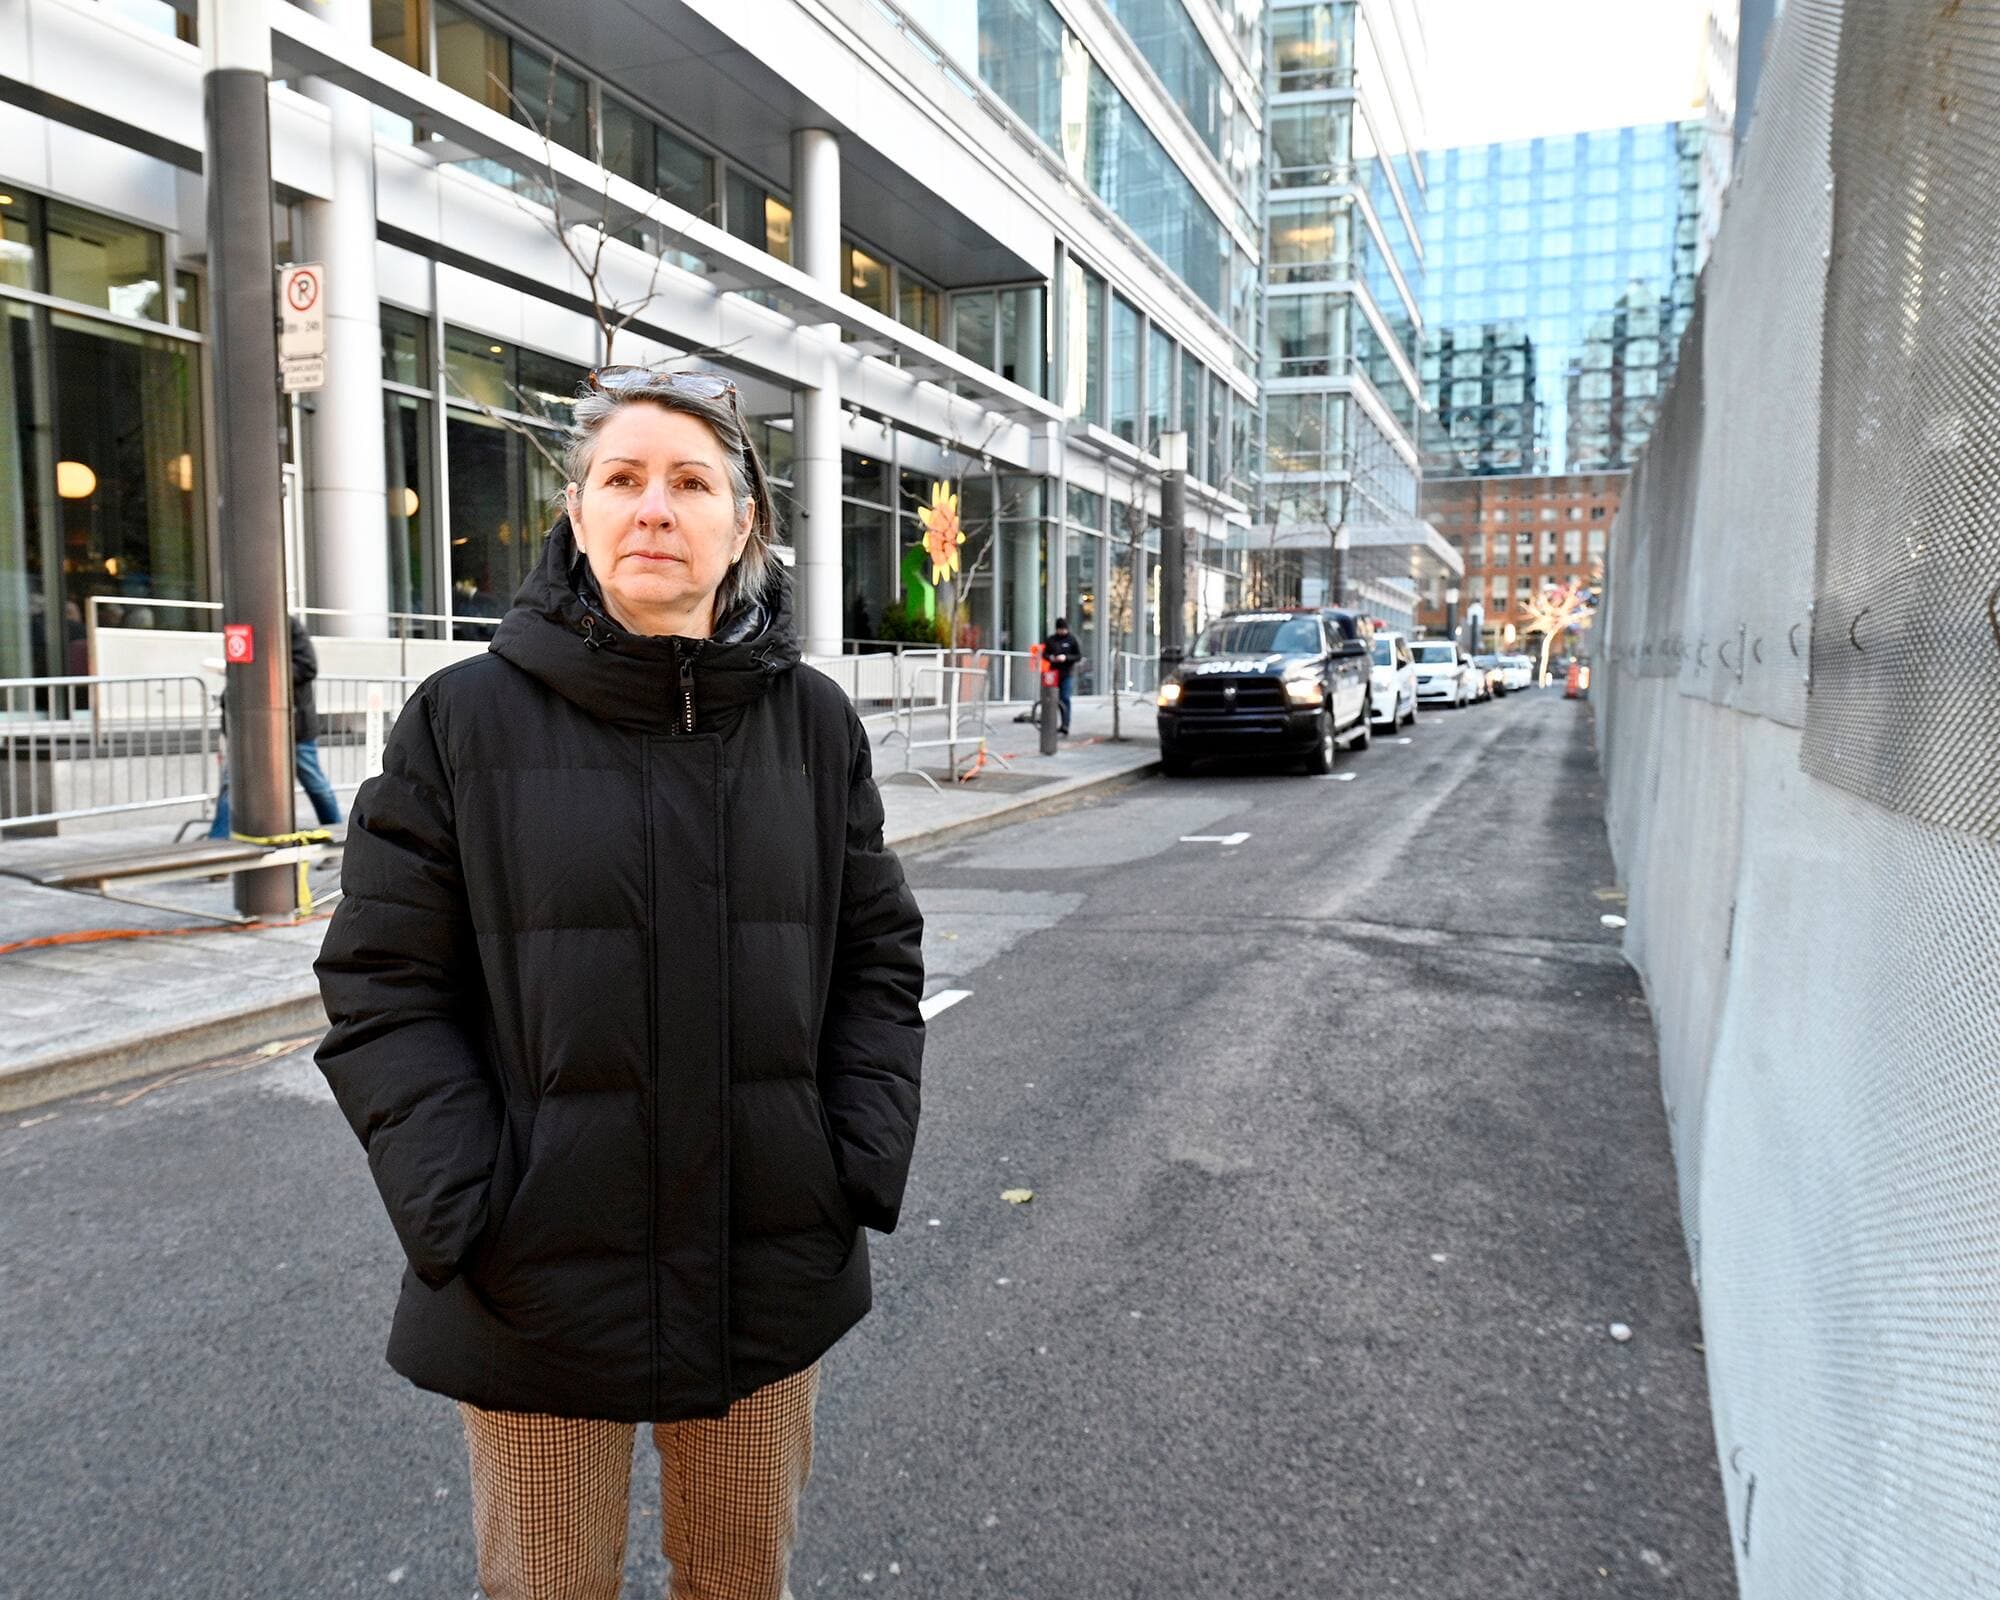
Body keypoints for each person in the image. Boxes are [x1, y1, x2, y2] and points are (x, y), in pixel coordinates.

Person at [314, 367, 926, 1600]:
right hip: (531, 1279)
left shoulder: (812, 727)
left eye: (691, 481)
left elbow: (876, 958)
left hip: (765, 1265)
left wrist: (848, 1157)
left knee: (740, 1583)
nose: (656, 507)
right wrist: (466, 1202)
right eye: (623, 479)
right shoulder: (461, 724)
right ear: (579, 516)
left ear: (741, 524)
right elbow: (381, 981)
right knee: (546, 1587)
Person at [208, 614, 342, 838]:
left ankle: (337, 833)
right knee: (231, 784)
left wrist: (261, 672)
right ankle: (217, 845)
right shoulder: (239, 624)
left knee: (314, 782)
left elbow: (308, 668)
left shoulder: (285, 623)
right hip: (248, 723)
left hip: (292, 724)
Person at [1041, 615, 1083, 736]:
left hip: (1067, 672)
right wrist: (1052, 658)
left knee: (1065, 698)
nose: (1063, 631)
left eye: (1064, 629)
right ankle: (1051, 723)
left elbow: (1078, 656)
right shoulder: (1051, 640)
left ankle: (1065, 724)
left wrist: (1066, 658)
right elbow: (1045, 654)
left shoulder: (1072, 640)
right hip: (1053, 673)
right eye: (1060, 629)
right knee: (1053, 699)